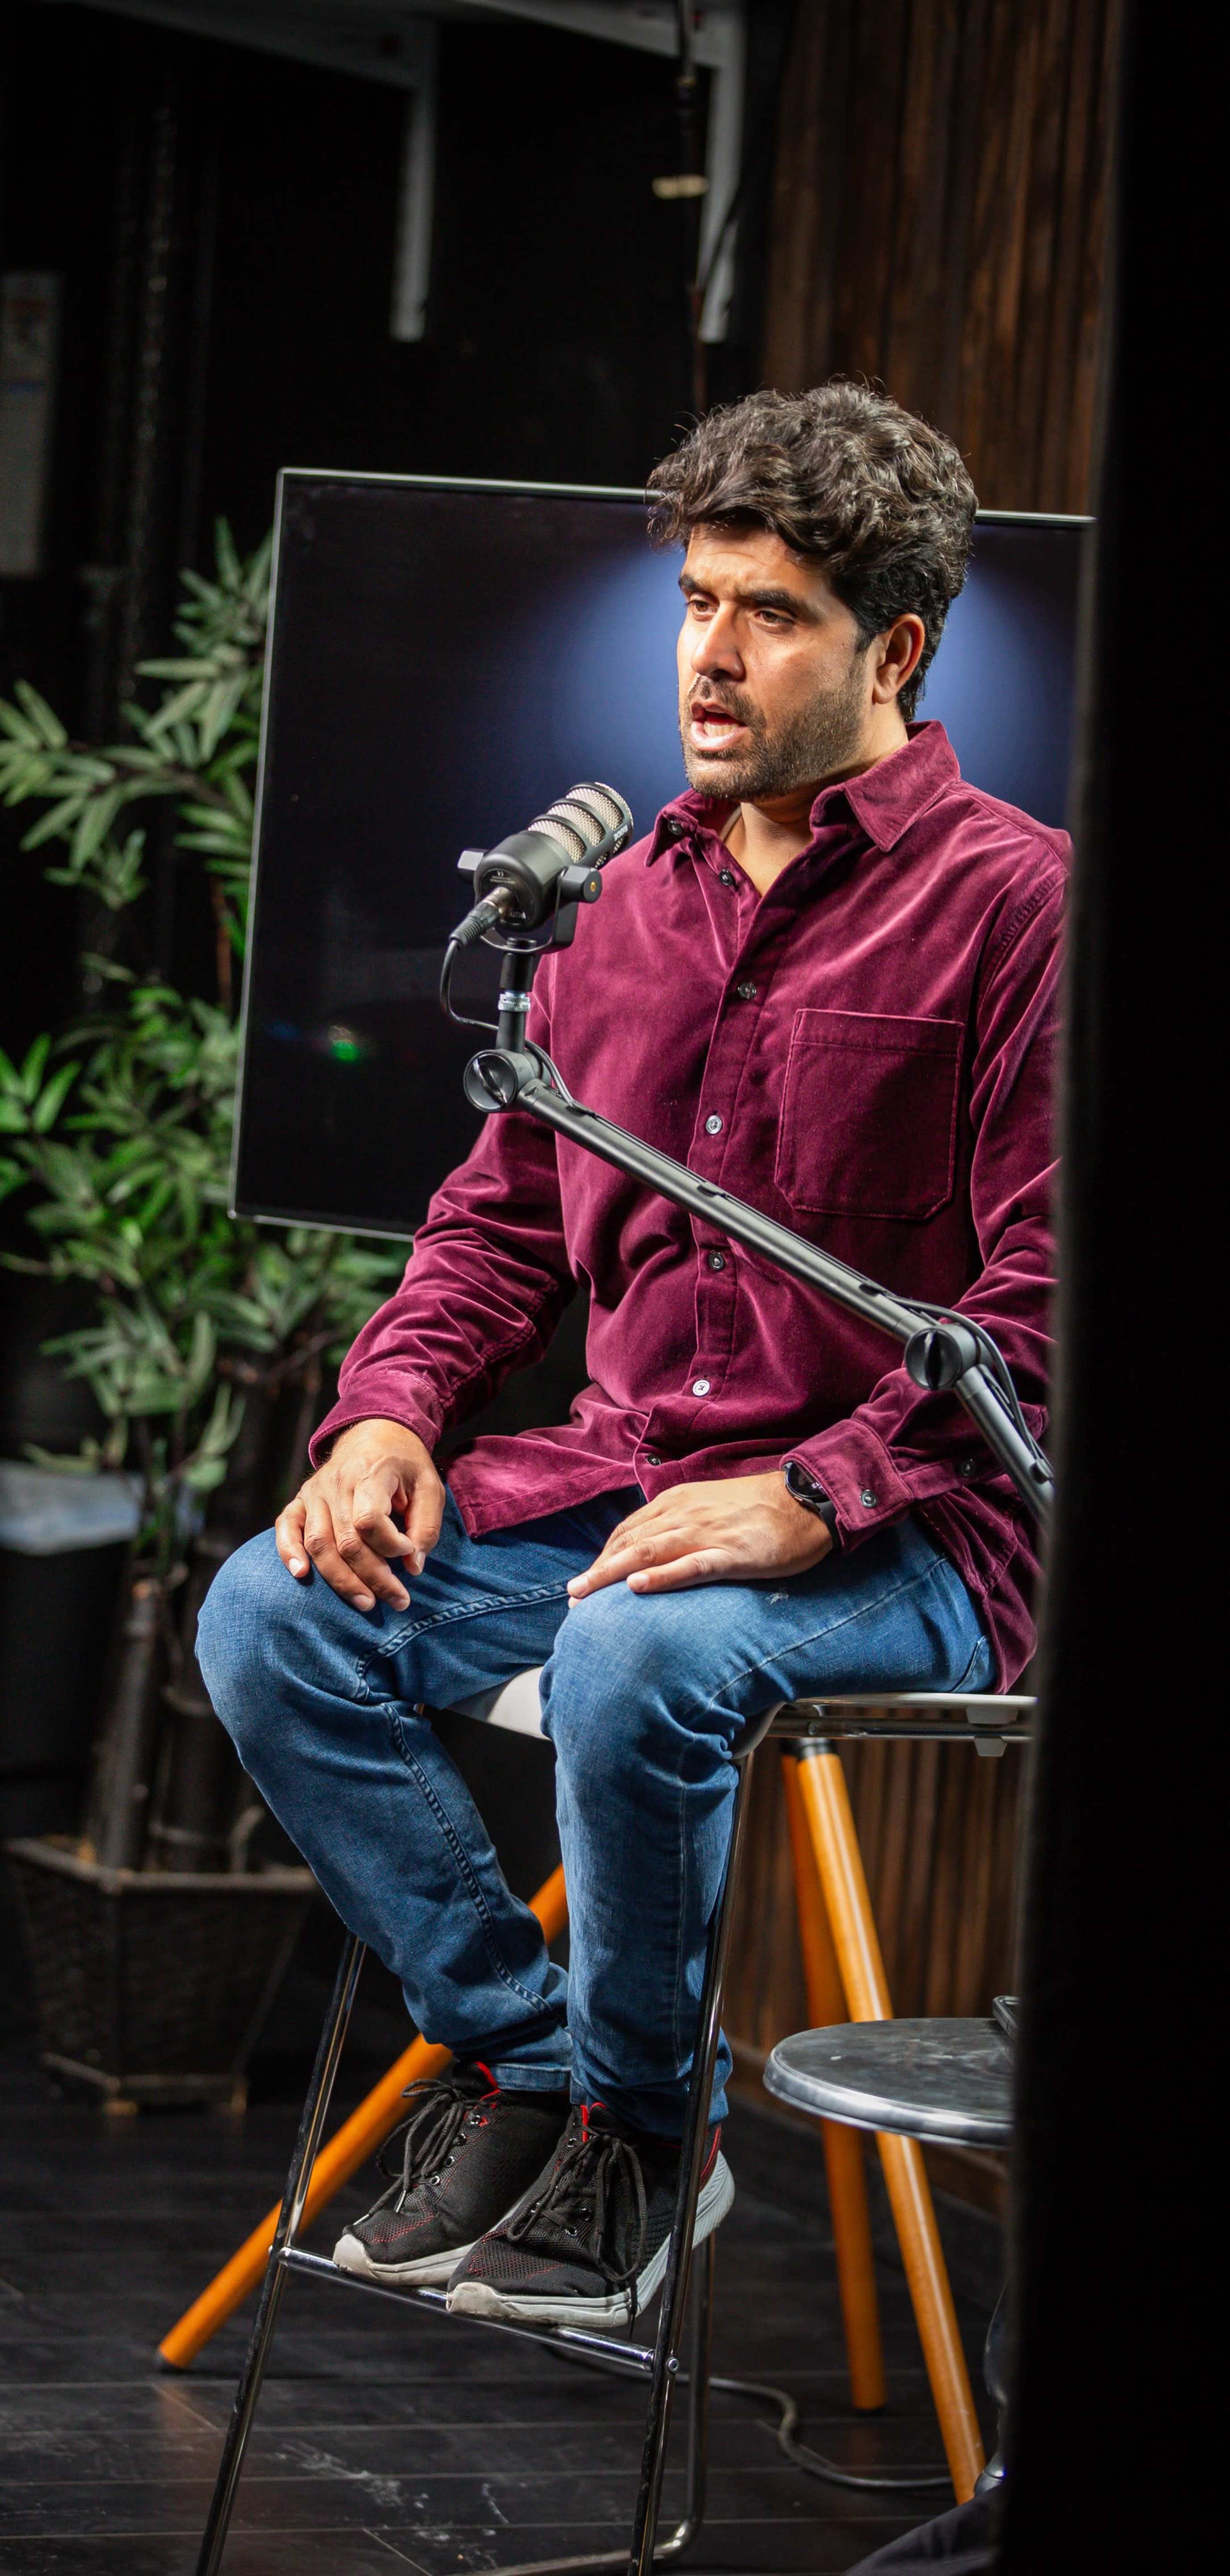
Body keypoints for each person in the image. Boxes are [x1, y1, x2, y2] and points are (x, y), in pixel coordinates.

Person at [197, 383, 1061, 2330]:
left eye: (768, 610)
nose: (710, 653)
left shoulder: (1025, 907)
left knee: (637, 1650)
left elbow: (1044, 1311)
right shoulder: (613, 900)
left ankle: (650, 2143)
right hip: (616, 1495)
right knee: (272, 1613)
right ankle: (536, 2070)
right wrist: (386, 1411)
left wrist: (812, 1490)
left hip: (914, 1538)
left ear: (894, 648)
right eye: (697, 601)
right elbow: (500, 1220)